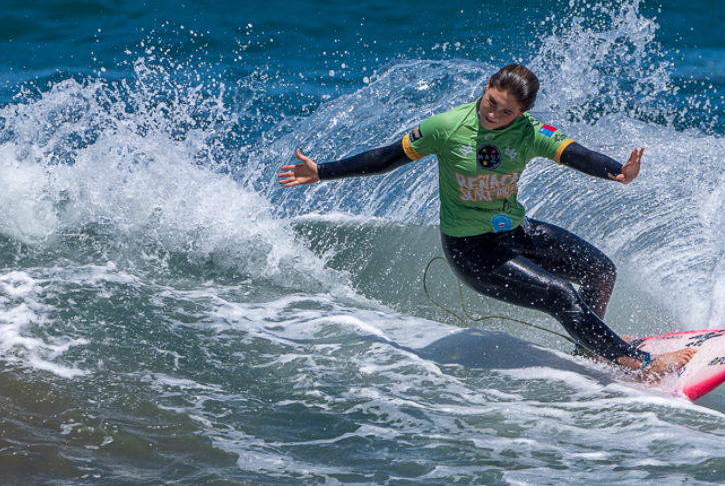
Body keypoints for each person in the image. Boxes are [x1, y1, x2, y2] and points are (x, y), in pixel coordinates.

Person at [278, 64, 693, 378]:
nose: (494, 113)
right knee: (562, 295)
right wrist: (324, 171)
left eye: (506, 111)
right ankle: (637, 364)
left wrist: (617, 171)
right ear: (486, 88)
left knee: (600, 270)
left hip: (513, 231)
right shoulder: (447, 127)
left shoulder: (529, 132)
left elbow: (574, 153)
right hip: (471, 250)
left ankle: (591, 348)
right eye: (492, 101)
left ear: (522, 113)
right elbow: (387, 157)